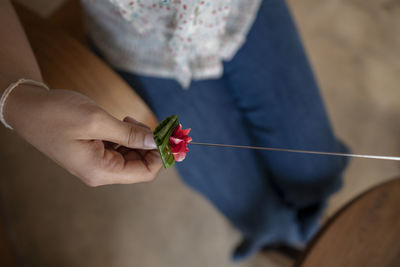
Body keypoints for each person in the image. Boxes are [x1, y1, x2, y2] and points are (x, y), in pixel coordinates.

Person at [0, 0, 348, 261]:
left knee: (313, 167)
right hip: (141, 44)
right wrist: (19, 101)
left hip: (241, 10)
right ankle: (276, 237)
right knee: (248, 202)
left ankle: (306, 223)